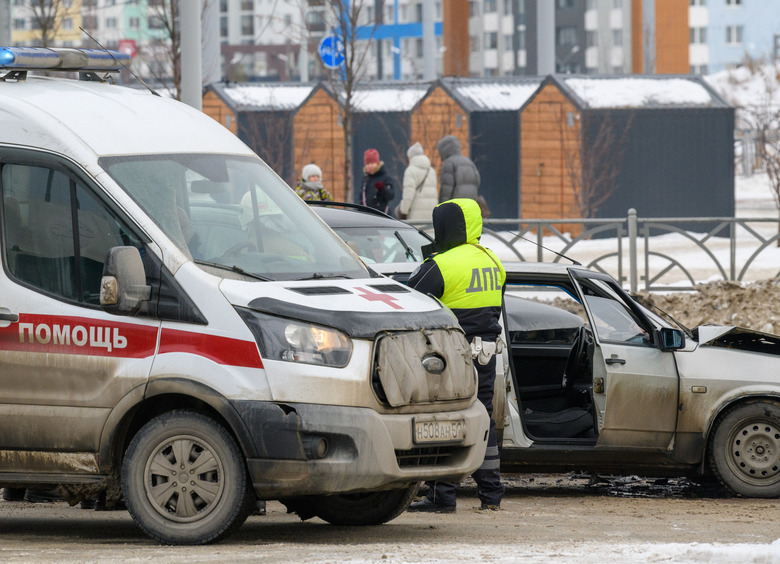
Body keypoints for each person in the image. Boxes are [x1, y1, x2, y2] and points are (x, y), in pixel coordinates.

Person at [406, 198, 505, 513]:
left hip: (454, 355)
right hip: (486, 354)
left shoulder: (442, 264)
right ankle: (492, 494)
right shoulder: (493, 261)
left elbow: (410, 297)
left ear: (447, 227)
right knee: (483, 420)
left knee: (448, 419)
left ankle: (442, 495)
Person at [395, 142, 438, 221]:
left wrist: (403, 211)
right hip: (431, 214)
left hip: (416, 215)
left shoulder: (410, 171)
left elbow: (408, 195)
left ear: (411, 157)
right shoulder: (431, 170)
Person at [437, 134, 480, 203]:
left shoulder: (449, 163)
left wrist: (442, 205)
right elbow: (477, 181)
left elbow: (447, 189)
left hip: (455, 205)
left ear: (444, 150)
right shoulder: (469, 162)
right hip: (471, 203)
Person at [360, 148, 396, 214]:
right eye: (368, 164)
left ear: (377, 163)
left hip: (382, 216)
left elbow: (390, 195)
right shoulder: (365, 179)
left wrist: (382, 188)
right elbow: (361, 199)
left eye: (372, 163)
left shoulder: (385, 177)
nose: (370, 166)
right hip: (366, 216)